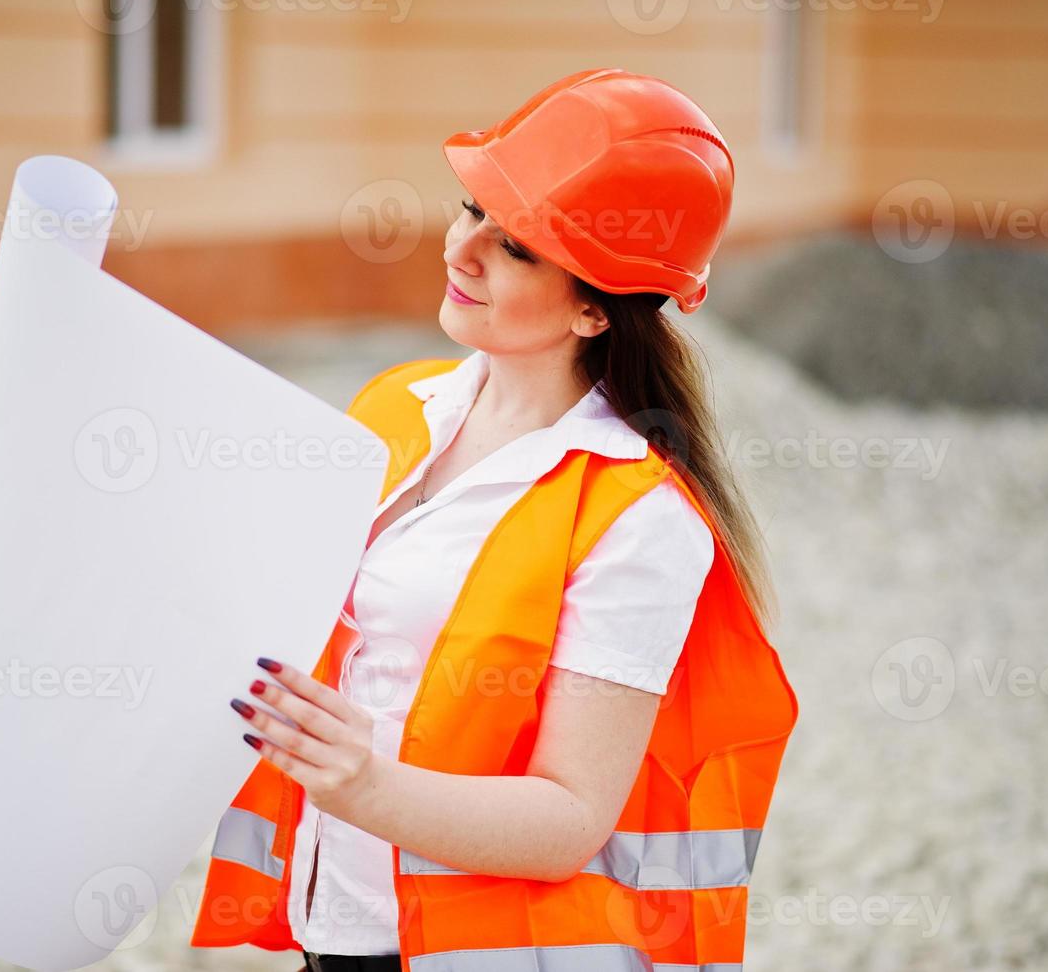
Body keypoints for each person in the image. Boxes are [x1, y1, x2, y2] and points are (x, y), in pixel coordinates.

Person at [195, 67, 800, 972]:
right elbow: (247, 595)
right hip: (336, 930)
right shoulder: (396, 408)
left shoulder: (636, 517)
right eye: (470, 208)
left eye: (516, 247)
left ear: (596, 308)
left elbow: (568, 821)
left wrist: (367, 785)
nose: (461, 250)